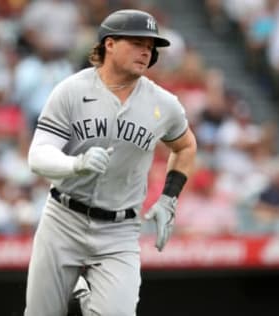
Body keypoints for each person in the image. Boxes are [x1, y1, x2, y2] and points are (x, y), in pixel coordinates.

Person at [23, 9, 196, 316]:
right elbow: (38, 156)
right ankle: (83, 287)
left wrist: (169, 197)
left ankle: (91, 290)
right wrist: (75, 164)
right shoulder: (72, 91)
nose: (147, 50)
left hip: (120, 231)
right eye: (137, 41)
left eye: (151, 45)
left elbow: (185, 146)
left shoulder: (164, 104)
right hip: (63, 219)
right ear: (109, 44)